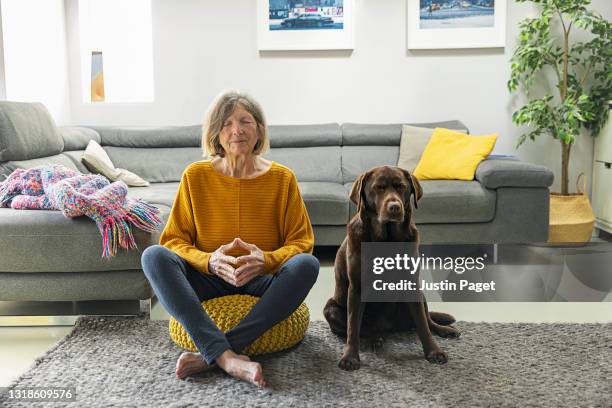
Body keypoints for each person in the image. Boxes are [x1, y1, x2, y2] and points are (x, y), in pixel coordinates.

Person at [141, 90, 319, 387]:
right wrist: (209, 261)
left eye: (245, 121)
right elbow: (173, 240)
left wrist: (267, 260)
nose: (237, 130)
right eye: (226, 124)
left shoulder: (282, 178)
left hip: (262, 280)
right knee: (153, 256)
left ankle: (211, 353)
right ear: (216, 134)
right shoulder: (195, 176)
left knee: (307, 265)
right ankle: (227, 358)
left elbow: (302, 242)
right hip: (207, 278)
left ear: (259, 129)